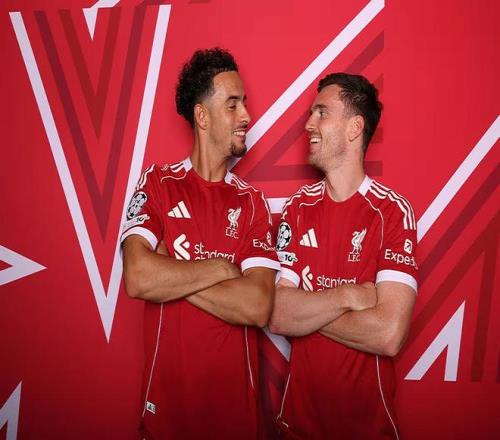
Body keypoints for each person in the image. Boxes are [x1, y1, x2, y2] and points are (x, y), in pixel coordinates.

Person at [121, 48, 280, 440]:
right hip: (167, 420)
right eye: (233, 104)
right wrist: (222, 269)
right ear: (202, 116)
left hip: (236, 423)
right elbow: (138, 277)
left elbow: (257, 306)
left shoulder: (252, 203)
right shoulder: (158, 183)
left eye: (244, 103)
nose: (246, 116)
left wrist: (171, 268)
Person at [269, 72, 418, 439]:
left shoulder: (392, 212)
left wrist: (307, 310)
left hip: (367, 430)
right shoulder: (297, 208)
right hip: (297, 427)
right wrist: (349, 296)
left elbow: (388, 333)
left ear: (355, 128)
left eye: (321, 113)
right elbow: (277, 315)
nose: (308, 124)